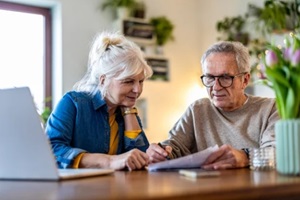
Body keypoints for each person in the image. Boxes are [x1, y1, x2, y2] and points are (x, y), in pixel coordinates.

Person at [146, 41, 280, 170]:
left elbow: (276, 153)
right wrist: (160, 152)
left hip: (256, 190)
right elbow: (174, 146)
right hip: (208, 190)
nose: (216, 87)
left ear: (245, 80)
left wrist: (245, 156)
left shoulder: (270, 109)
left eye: (225, 77)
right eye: (210, 77)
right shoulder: (198, 110)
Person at [45, 31, 153, 171]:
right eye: (128, 81)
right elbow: (51, 150)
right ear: (103, 80)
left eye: (141, 81)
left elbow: (138, 159)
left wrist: (129, 111)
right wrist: (108, 161)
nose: (137, 90)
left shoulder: (125, 110)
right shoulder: (73, 103)